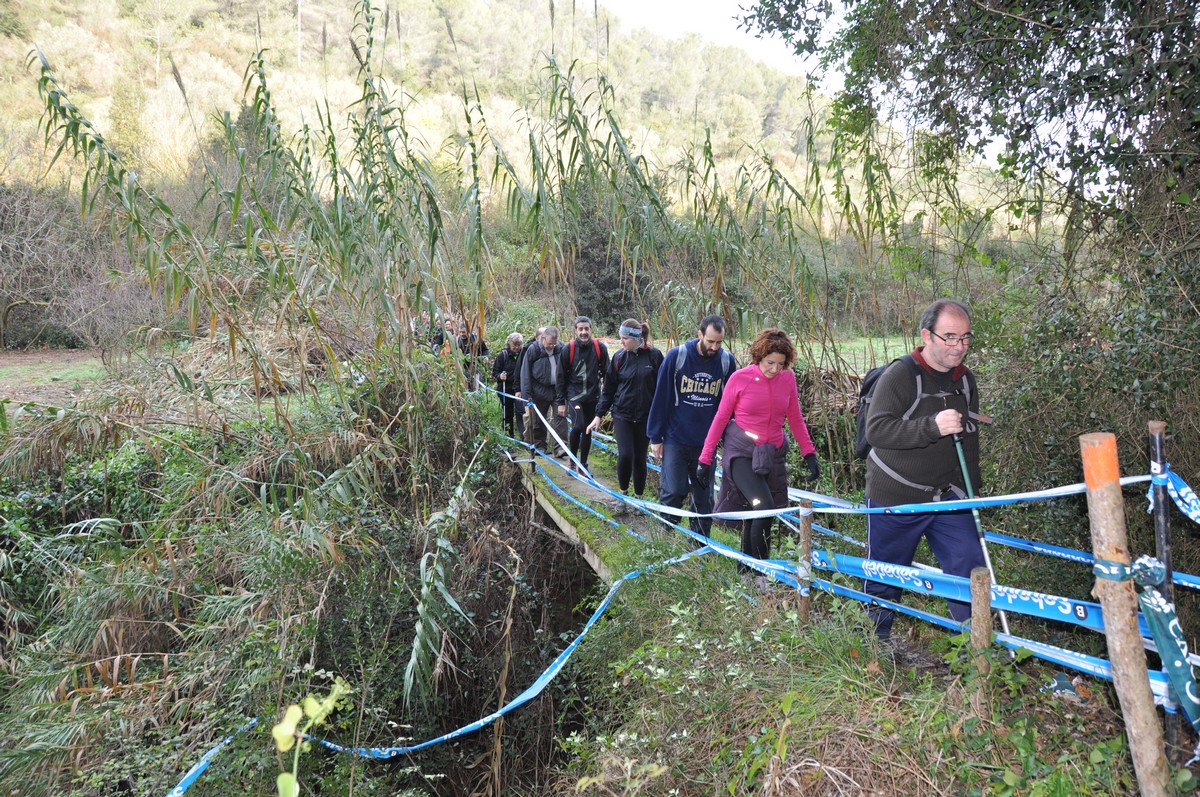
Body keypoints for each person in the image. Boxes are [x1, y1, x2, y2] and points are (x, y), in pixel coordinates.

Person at [862, 299, 985, 640]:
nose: (959, 346)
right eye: (949, 337)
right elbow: (877, 431)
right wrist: (931, 426)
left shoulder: (964, 381)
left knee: (970, 566)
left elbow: (969, 440)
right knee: (887, 575)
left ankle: (976, 647)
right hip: (896, 495)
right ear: (926, 336)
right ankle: (875, 644)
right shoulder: (901, 375)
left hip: (947, 496)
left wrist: (973, 494)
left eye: (965, 337)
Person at [696, 329, 820, 576]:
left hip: (771, 452)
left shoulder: (787, 379)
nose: (775, 369)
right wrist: (705, 458)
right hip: (741, 451)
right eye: (770, 363)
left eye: (781, 364)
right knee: (764, 506)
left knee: (756, 511)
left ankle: (746, 569)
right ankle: (760, 572)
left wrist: (809, 453)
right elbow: (721, 418)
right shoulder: (740, 378)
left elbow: (795, 417)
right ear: (759, 357)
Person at [647, 315, 737, 536]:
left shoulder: (727, 362)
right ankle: (665, 535)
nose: (714, 347)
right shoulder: (677, 357)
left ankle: (699, 541)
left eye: (719, 342)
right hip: (676, 437)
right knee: (674, 490)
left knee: (704, 495)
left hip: (707, 442)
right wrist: (655, 437)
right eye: (710, 341)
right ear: (699, 335)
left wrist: (729, 438)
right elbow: (661, 397)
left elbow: (732, 404)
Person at [586, 320, 663, 496]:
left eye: (625, 338)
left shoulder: (655, 356)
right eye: (620, 337)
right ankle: (623, 494)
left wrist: (662, 420)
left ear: (637, 338)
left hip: (645, 417)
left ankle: (639, 497)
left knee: (640, 458)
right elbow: (608, 390)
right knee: (626, 454)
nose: (621, 342)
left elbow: (662, 390)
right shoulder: (619, 357)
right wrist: (598, 415)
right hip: (622, 415)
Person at [557, 316, 609, 474]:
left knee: (588, 430)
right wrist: (561, 402)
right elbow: (560, 376)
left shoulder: (599, 348)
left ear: (591, 329)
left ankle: (583, 465)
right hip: (574, 396)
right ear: (575, 330)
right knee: (578, 426)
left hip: (593, 396)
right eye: (580, 329)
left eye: (586, 328)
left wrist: (607, 397)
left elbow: (607, 373)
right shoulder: (569, 349)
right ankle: (572, 461)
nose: (584, 332)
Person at [518, 326, 567, 455]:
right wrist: (527, 397)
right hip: (538, 390)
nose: (552, 346)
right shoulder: (533, 350)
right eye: (550, 343)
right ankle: (540, 446)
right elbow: (525, 374)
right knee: (538, 420)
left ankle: (561, 447)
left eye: (554, 343)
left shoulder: (561, 348)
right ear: (543, 338)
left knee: (560, 418)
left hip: (557, 390)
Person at [492, 332, 525, 438]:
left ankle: (524, 436)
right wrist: (500, 376)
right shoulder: (503, 355)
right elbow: (495, 372)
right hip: (506, 388)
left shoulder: (523, 355)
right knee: (508, 412)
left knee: (521, 411)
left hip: (519, 389)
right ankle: (509, 435)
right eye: (515, 345)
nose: (517, 347)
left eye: (519, 345)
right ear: (509, 344)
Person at [455, 321, 489, 390]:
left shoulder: (476, 338)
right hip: (463, 369)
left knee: (478, 388)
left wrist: (485, 357)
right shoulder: (457, 340)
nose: (461, 334)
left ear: (468, 331)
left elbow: (485, 350)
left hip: (476, 367)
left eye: (463, 332)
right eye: (460, 332)